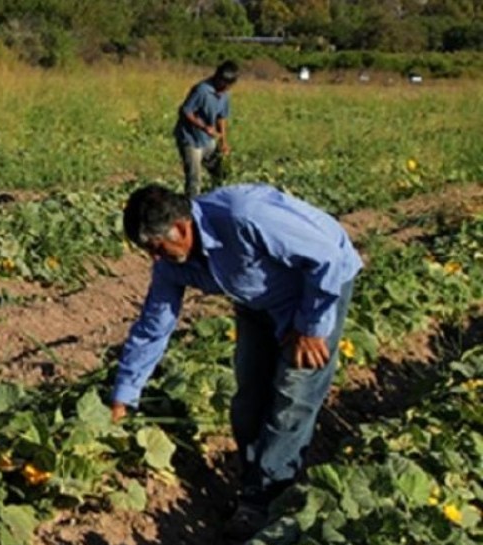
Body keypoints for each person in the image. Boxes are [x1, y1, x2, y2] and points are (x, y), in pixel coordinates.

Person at [110, 183, 362, 542]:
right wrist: (124, 396)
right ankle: (254, 483)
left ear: (181, 229)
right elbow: (154, 326)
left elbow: (326, 259)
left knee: (292, 400)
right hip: (256, 300)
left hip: (315, 290)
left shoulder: (244, 217)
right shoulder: (171, 264)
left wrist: (310, 328)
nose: (154, 257)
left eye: (155, 246)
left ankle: (265, 504)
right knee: (248, 402)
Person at [175, 60, 238, 198]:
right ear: (217, 77)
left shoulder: (225, 94)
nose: (225, 88)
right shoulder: (202, 90)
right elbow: (186, 111)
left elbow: (222, 117)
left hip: (209, 140)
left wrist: (223, 141)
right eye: (223, 83)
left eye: (228, 85)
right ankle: (192, 208)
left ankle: (214, 199)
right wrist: (203, 127)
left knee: (220, 172)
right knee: (194, 179)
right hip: (191, 139)